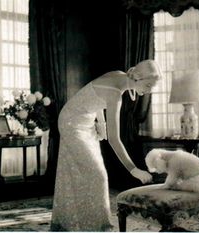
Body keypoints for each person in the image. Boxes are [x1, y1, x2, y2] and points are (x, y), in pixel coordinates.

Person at [50, 59, 163, 231]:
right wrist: (134, 170)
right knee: (98, 175)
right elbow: (114, 139)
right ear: (137, 77)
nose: (148, 91)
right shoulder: (115, 94)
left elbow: (96, 96)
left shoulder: (120, 75)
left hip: (86, 121)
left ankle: (75, 222)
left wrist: (101, 124)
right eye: (148, 85)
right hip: (71, 122)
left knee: (82, 172)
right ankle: (99, 227)